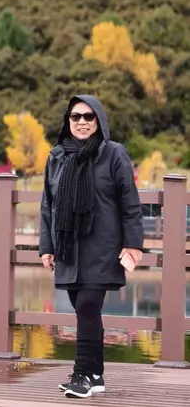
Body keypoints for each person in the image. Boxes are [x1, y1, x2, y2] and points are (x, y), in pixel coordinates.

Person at [39, 95, 143, 399]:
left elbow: (130, 203)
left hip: (103, 247)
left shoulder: (113, 154)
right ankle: (96, 375)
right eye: (75, 117)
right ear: (67, 121)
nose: (82, 122)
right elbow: (48, 205)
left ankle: (81, 375)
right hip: (69, 248)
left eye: (88, 116)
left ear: (99, 120)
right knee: (84, 311)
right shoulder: (57, 156)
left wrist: (133, 244)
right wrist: (47, 246)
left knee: (86, 306)